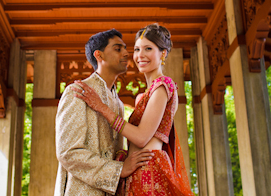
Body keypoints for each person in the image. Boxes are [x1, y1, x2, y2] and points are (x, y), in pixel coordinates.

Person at [72, 24, 193, 195]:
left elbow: (142, 138)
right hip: (136, 171)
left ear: (163, 53)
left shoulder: (163, 86)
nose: (140, 55)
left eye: (148, 49)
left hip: (151, 170)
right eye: (137, 49)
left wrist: (101, 107)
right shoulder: (142, 97)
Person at [55, 29, 154, 196]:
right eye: (117, 49)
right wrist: (117, 170)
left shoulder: (119, 104)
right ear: (99, 55)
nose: (126, 53)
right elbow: (68, 152)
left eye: (125, 48)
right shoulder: (77, 92)